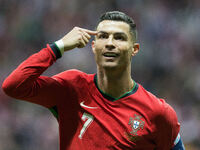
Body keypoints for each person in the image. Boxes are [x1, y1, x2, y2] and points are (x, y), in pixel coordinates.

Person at [2, 11, 185, 150]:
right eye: (103, 36)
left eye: (119, 37)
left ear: (134, 49)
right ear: (94, 46)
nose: (110, 43)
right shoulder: (71, 87)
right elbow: (14, 86)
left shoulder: (158, 113)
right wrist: (58, 47)